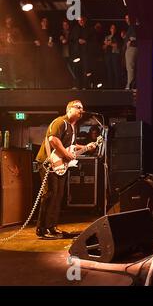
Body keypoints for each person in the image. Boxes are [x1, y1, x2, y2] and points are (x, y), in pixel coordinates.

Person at [35, 100, 96, 239]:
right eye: (78, 107)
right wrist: (66, 154)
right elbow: (53, 140)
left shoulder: (73, 127)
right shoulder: (60, 122)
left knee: (58, 196)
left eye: (82, 108)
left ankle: (52, 227)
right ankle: (42, 229)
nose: (82, 110)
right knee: (50, 195)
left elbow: (72, 146)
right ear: (69, 109)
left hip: (59, 164)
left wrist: (86, 147)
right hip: (48, 162)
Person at [124, 14, 138, 90]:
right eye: (126, 18)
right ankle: (131, 84)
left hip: (132, 48)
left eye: (128, 18)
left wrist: (130, 41)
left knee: (130, 68)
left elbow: (133, 38)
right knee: (131, 68)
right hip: (132, 48)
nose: (127, 20)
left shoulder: (133, 26)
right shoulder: (131, 27)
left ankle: (130, 85)